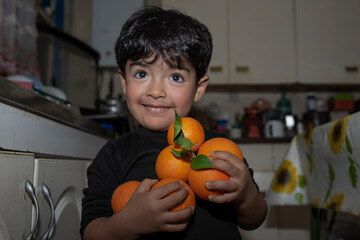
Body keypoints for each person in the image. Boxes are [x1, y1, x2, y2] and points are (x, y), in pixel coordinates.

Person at [81, 7, 267, 240]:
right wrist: (129, 224)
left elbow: (254, 219)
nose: (156, 91)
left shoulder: (219, 149)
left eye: (175, 77)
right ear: (124, 82)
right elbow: (91, 232)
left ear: (198, 88)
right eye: (141, 74)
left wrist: (246, 193)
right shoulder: (113, 155)